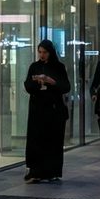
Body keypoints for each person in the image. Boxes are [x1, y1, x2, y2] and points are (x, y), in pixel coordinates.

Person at [23, 40, 71, 182]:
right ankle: (35, 171)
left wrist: (52, 82)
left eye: (45, 52)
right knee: (36, 141)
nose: (42, 55)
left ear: (50, 52)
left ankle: (52, 171)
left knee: (52, 141)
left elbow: (66, 86)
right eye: (40, 52)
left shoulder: (58, 67)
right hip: (37, 109)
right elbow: (28, 85)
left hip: (53, 110)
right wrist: (37, 83)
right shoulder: (34, 66)